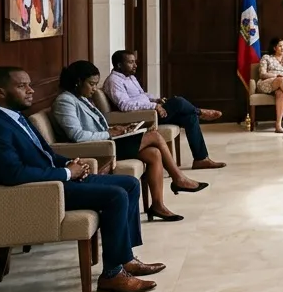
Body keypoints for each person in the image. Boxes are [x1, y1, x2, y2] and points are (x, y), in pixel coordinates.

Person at [0, 66, 164, 292]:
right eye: (22, 86)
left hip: (55, 181)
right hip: (40, 192)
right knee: (115, 195)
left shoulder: (14, 117)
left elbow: (46, 153)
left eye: (29, 84)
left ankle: (125, 258)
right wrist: (66, 174)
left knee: (129, 184)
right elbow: (14, 174)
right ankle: (112, 275)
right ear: (0, 92)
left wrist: (68, 164)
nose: (31, 90)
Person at [52, 60, 209, 221]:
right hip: (96, 149)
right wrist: (108, 134)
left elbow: (95, 126)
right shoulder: (65, 101)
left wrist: (119, 129)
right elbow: (77, 136)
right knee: (154, 136)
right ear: (78, 81)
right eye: (91, 84)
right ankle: (178, 179)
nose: (94, 89)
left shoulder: (80, 97)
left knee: (153, 153)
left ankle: (157, 205)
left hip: (106, 142)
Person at [103, 50, 226, 169]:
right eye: (131, 62)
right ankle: (200, 112)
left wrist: (156, 100)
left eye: (135, 62)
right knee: (178, 102)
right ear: (119, 65)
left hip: (151, 112)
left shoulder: (129, 77)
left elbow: (142, 96)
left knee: (189, 117)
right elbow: (125, 105)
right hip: (143, 118)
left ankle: (201, 159)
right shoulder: (114, 81)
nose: (135, 65)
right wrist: (154, 106)